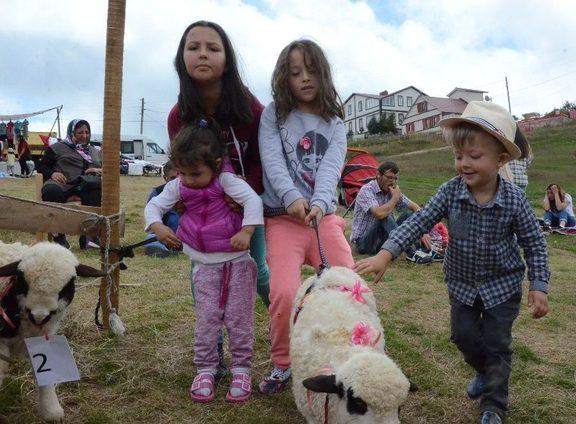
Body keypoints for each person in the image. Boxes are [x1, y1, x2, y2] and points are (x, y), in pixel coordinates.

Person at [354, 101, 550, 424]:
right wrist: (386, 253)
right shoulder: (450, 192)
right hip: (461, 286)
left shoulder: (514, 200)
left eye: (474, 157)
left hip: (502, 287)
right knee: (463, 336)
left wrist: (539, 285)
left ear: (500, 160)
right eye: (459, 156)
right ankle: (483, 373)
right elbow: (419, 222)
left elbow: (534, 244)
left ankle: (494, 405)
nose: (464, 164)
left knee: (498, 344)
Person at [258, 39, 355, 395]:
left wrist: (318, 202)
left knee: (348, 285)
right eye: (295, 72)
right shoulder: (274, 115)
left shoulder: (336, 123)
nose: (304, 78)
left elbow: (331, 169)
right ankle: (283, 363)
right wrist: (292, 198)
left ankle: (348, 354)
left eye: (311, 70)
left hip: (321, 218)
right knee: (283, 292)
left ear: (323, 73)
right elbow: (273, 161)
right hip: (283, 220)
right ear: (285, 78)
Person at [145, 121, 262, 403]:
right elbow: (154, 206)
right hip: (203, 265)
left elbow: (253, 201)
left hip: (238, 264)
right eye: (182, 173)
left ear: (217, 164)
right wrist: (157, 227)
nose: (188, 180)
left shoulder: (227, 181)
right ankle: (206, 368)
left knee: (239, 319)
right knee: (207, 319)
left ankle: (242, 368)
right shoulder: (179, 185)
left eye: (195, 173)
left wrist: (247, 231)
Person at [168, 20, 269, 308]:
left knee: (258, 270)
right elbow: (180, 168)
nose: (202, 54)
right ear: (182, 59)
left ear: (226, 62)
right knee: (200, 271)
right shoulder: (179, 116)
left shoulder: (249, 108)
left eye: (213, 48)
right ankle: (211, 343)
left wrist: (243, 193)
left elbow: (262, 159)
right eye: (193, 47)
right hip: (203, 208)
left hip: (246, 202)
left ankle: (285, 328)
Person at [37, 119, 102, 249]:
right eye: (80, 132)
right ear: (71, 132)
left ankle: (89, 237)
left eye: (87, 132)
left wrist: (97, 171)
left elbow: (104, 170)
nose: (84, 136)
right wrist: (52, 174)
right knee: (51, 191)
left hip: (85, 186)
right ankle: (59, 237)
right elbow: (41, 166)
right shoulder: (57, 148)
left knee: (97, 190)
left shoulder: (94, 151)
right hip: (63, 184)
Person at [350, 160, 432, 263]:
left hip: (383, 240)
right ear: (378, 175)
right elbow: (378, 214)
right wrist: (395, 198)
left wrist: (423, 230)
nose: (392, 181)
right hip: (364, 243)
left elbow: (415, 207)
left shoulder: (391, 190)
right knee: (384, 216)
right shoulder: (366, 190)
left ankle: (425, 249)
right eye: (389, 177)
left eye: (395, 178)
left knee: (409, 214)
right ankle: (410, 253)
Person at [144, 161, 180, 258]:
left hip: (189, 233)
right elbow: (152, 211)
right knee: (151, 238)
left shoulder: (190, 188)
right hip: (166, 234)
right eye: (173, 178)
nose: (177, 181)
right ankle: (160, 249)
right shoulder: (158, 192)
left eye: (180, 176)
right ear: (165, 178)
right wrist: (158, 228)